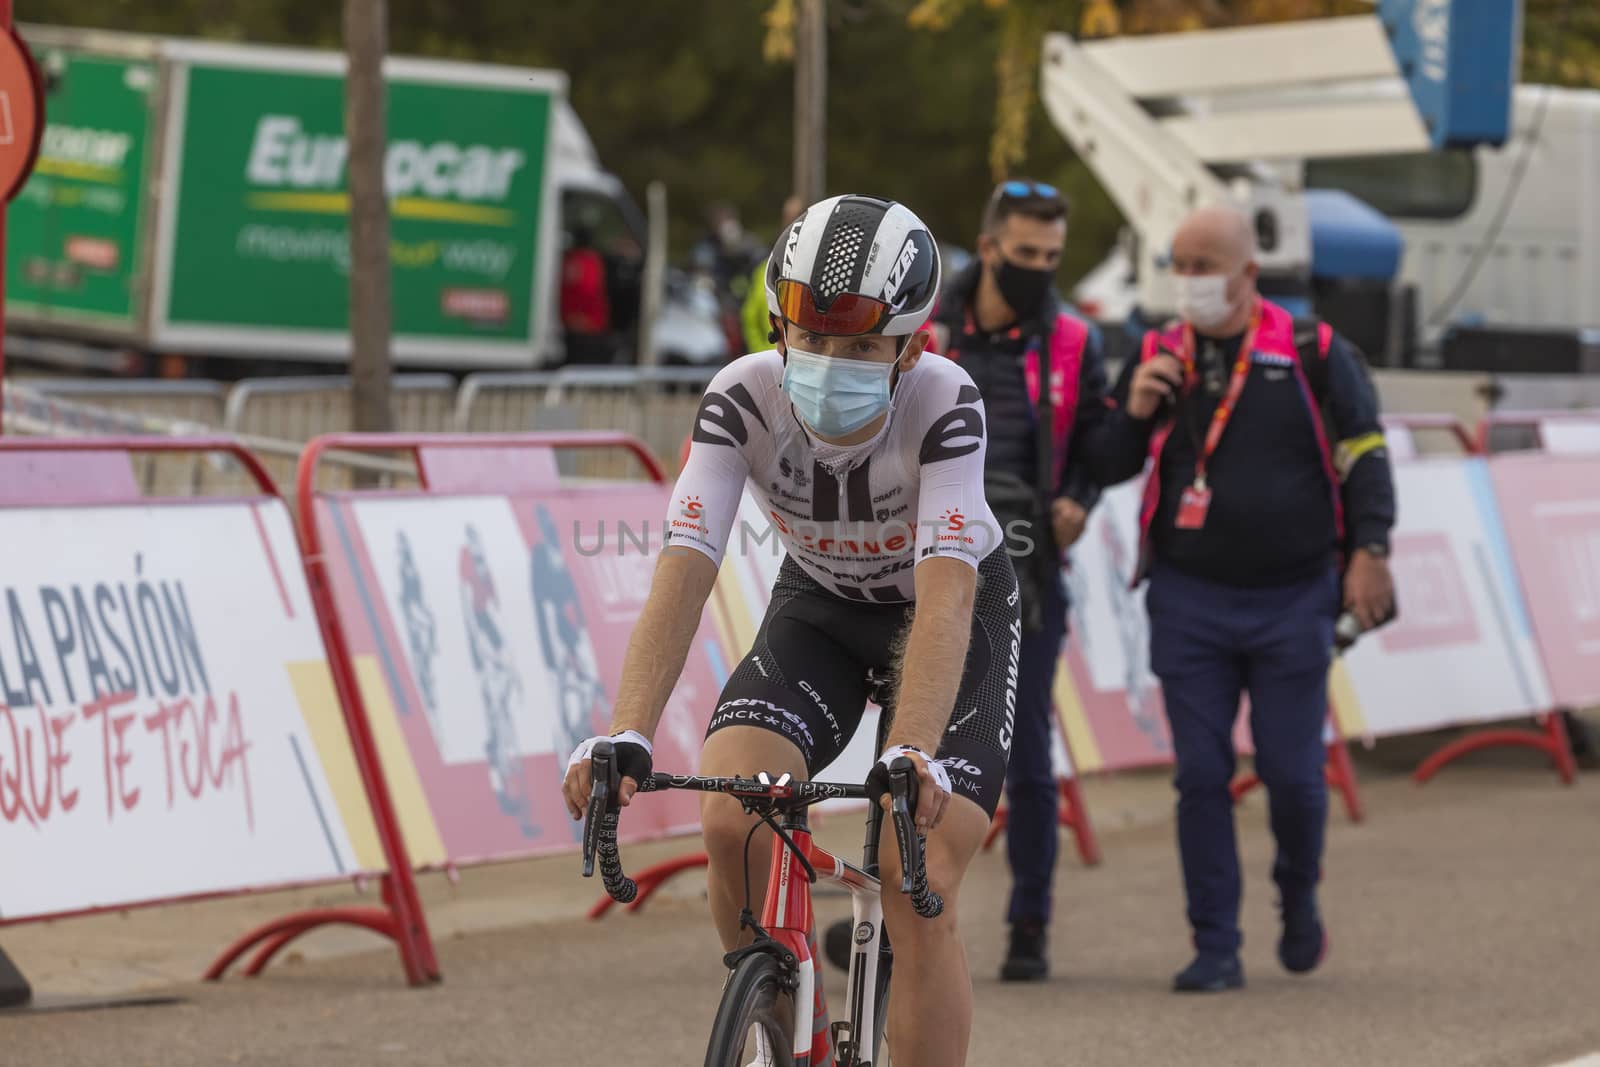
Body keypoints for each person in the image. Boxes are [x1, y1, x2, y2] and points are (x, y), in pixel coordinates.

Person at [563, 194, 1021, 1067]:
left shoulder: (945, 400)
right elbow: (685, 564)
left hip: (949, 614)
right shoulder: (740, 395)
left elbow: (946, 595)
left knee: (914, 873)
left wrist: (914, 747)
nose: (825, 361)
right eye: (808, 338)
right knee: (732, 820)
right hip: (821, 606)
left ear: (911, 347)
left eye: (857, 347)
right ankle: (780, 1012)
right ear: (778, 325)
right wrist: (626, 729)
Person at [1097, 204, 1397, 992]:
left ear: (1249, 273)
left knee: (1294, 777)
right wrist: (1134, 410)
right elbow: (1107, 461)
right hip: (1189, 594)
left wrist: (1371, 548)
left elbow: (1365, 451)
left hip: (1294, 596)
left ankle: (1298, 896)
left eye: (1207, 266)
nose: (1191, 282)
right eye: (1180, 265)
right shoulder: (1158, 350)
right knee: (1200, 774)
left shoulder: (1313, 348)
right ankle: (1216, 943)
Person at [929, 178, 1113, 981]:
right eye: (1027, 253)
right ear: (992, 245)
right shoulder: (928, 325)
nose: (1040, 268)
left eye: (1053, 255)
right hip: (921, 565)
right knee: (911, 751)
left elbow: (1099, 441)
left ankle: (1029, 922)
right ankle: (909, 913)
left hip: (1028, 571)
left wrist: (1081, 497)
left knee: (1027, 756)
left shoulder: (1074, 341)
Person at [741, 194, 806, 355]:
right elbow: (750, 317)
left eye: (799, 217)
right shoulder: (765, 268)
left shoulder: (818, 269)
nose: (794, 224)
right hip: (773, 359)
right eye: (790, 218)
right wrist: (763, 353)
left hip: (805, 365)